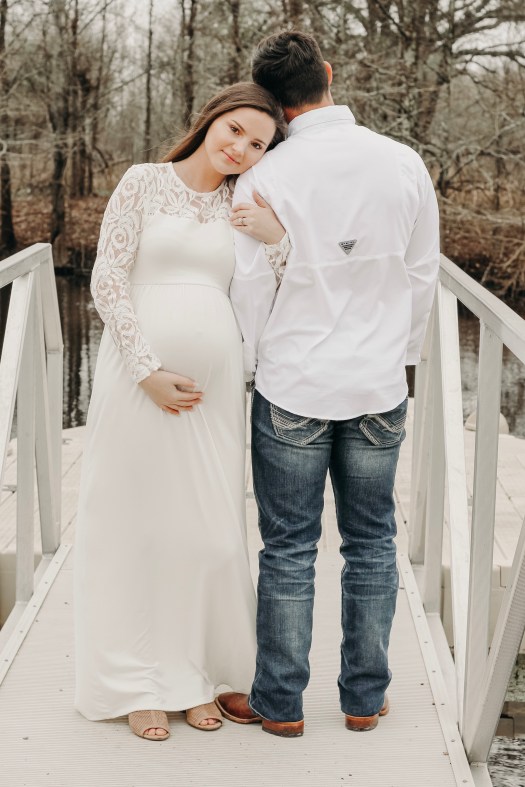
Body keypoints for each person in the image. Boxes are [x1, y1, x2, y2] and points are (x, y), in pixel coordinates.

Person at [217, 31, 440, 737]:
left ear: (272, 102)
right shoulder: (402, 162)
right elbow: (420, 275)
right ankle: (363, 698)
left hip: (294, 381)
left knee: (288, 548)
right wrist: (398, 358)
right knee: (371, 542)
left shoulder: (265, 174)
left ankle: (280, 704)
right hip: (377, 382)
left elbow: (251, 288)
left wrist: (249, 369)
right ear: (329, 74)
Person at [74, 82, 289, 741]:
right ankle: (137, 683)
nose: (241, 148)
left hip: (213, 397)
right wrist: (146, 370)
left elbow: (283, 288)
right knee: (134, 526)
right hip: (136, 381)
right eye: (235, 130)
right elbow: (108, 278)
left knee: (205, 532)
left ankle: (193, 675)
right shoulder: (143, 181)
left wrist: (279, 238)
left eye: (258, 144)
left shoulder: (246, 205)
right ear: (210, 120)